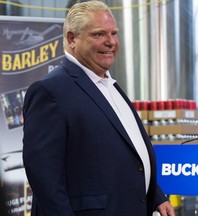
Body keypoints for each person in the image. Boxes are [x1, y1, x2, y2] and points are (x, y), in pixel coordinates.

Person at [22, 1, 175, 216]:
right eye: (99, 34)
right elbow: (45, 178)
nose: (111, 41)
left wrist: (155, 196)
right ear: (71, 39)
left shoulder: (109, 86)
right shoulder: (50, 90)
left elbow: (126, 154)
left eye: (114, 33)